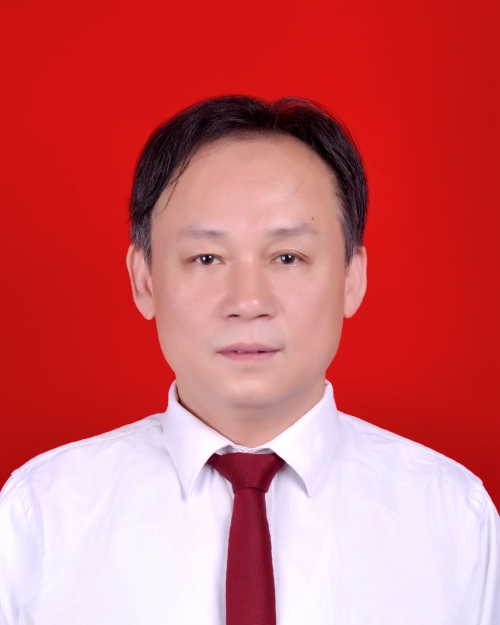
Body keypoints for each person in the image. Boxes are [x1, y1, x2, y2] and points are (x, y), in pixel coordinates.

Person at [0, 95, 498, 625]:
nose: (248, 301)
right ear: (144, 279)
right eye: (206, 258)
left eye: (287, 257)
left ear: (352, 277)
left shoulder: (452, 519)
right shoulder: (41, 518)